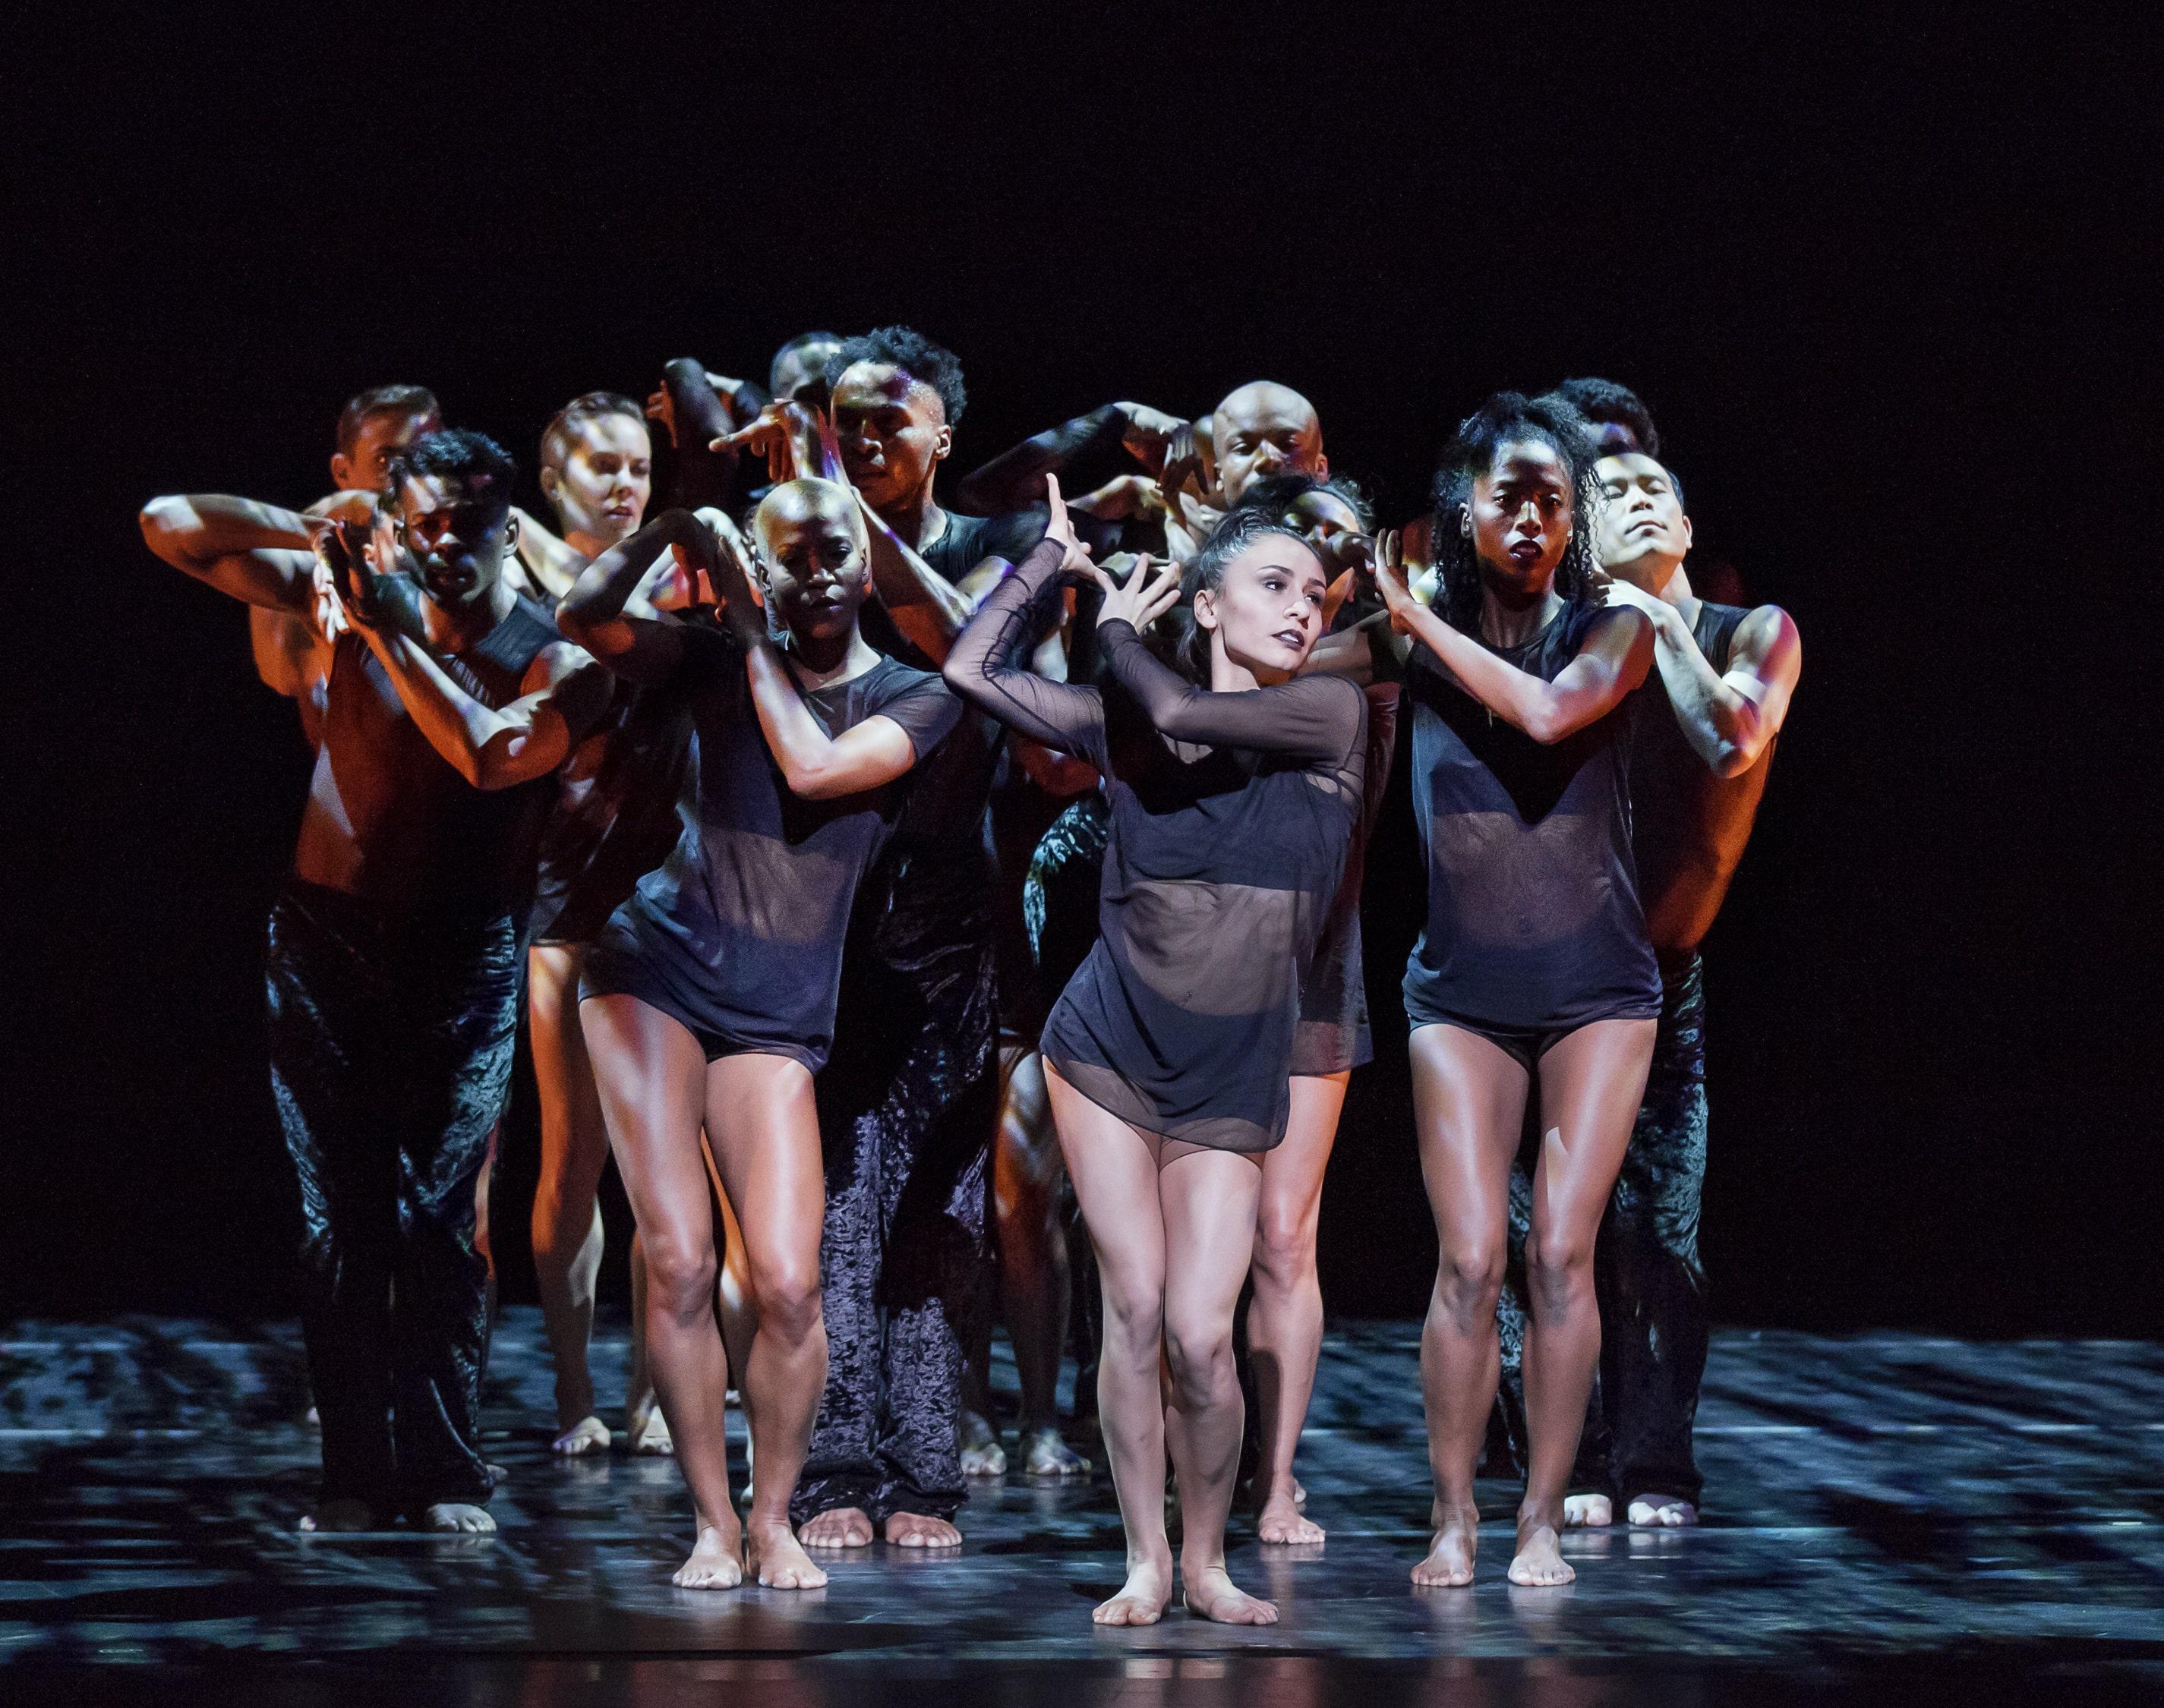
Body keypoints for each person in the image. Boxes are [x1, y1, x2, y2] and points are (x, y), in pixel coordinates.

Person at [140, 429, 607, 1533]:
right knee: (338, 1217)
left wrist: (392, 636)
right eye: (429, 519)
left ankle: (445, 1468)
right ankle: (353, 1471)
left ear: (508, 529)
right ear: (404, 519)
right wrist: (329, 514)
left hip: (463, 956)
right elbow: (168, 519)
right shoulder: (345, 589)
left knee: (442, 1221)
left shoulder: (556, 655)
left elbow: (491, 756)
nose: (451, 541)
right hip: (324, 942)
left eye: (473, 523)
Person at [945, 479, 1367, 1626]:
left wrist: (1119, 628)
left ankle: (1207, 1557)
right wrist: (1047, 565)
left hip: (1233, 1069)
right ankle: (1145, 1559)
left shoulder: (1329, 718)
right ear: (1210, 599)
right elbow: (967, 673)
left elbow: (1183, 716)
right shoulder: (1126, 725)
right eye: (1272, 586)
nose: (1301, 611)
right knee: (1131, 1305)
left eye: (1314, 595)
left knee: (1198, 1328)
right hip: (1107, 1049)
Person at [559, 480, 961, 1590]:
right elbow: (582, 616)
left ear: (867, 567)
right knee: (680, 1257)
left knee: (786, 1281)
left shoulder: (918, 695)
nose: (818, 572)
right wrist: (677, 528)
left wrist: (744, 632)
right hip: (650, 970)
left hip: (779, 1007)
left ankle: (772, 1514)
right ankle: (708, 1522)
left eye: (837, 552)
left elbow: (816, 769)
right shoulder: (703, 656)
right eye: (792, 558)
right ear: (764, 569)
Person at [1370, 391, 1661, 1589]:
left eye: (1552, 499)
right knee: (1471, 1258)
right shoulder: (1409, 629)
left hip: (1598, 986)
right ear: (1465, 510)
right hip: (1460, 991)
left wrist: (1414, 623)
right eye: (1509, 498)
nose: (1532, 519)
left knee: (1561, 1260)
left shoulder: (1615, 626)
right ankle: (1454, 1515)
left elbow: (1545, 714)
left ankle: (1540, 1518)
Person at [1494, 419, 1800, 1530]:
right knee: (1540, 1230)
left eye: (1644, 484)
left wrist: (1655, 610)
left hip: (1662, 979)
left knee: (1657, 1228)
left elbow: (1730, 742)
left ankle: (1656, 1458)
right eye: (1601, 489)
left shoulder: (1746, 630)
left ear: (1679, 520)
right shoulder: (1560, 638)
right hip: (1545, 976)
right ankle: (1556, 1455)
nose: (1623, 497)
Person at [501, 393, 696, 1458]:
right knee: (573, 1156)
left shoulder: (684, 586)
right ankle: (575, 1393)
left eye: (637, 468)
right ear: (555, 484)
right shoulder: (527, 594)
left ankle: (657, 1391)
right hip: (566, 900)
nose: (625, 485)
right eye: (601, 470)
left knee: (655, 1162)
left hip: (673, 901)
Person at [1216, 474, 1402, 1546]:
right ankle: (1185, 1463)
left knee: (1283, 1235)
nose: (1323, 572)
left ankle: (1275, 1477)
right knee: (1183, 1247)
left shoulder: (1364, 657)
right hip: (1190, 977)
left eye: (1341, 551)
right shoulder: (1203, 665)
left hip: (1310, 975)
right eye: (1300, 551)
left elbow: (1370, 640)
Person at [251, 386, 442, 747]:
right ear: (342, 471)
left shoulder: (474, 547)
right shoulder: (315, 557)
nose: (409, 476)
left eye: (426, 454)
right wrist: (351, 505)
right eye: (385, 461)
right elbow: (281, 672)